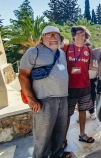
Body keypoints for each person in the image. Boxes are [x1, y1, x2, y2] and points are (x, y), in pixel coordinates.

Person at [19, 26, 71, 158]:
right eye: (49, 35)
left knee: (59, 131)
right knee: (43, 135)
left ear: (60, 38)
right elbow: (23, 75)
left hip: (63, 98)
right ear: (42, 37)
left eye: (56, 35)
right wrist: (31, 99)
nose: (53, 37)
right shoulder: (33, 52)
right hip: (44, 99)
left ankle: (57, 154)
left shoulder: (62, 53)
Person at [62, 26, 96, 145]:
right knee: (67, 114)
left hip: (85, 86)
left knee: (83, 111)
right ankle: (63, 138)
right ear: (73, 36)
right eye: (78, 34)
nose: (80, 37)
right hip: (69, 87)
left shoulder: (88, 49)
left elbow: (90, 66)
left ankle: (82, 134)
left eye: (83, 35)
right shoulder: (66, 48)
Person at [86, 41, 97, 120]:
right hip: (83, 80)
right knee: (82, 98)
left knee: (92, 97)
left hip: (93, 80)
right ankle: (82, 115)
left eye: (88, 46)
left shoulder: (95, 56)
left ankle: (92, 112)